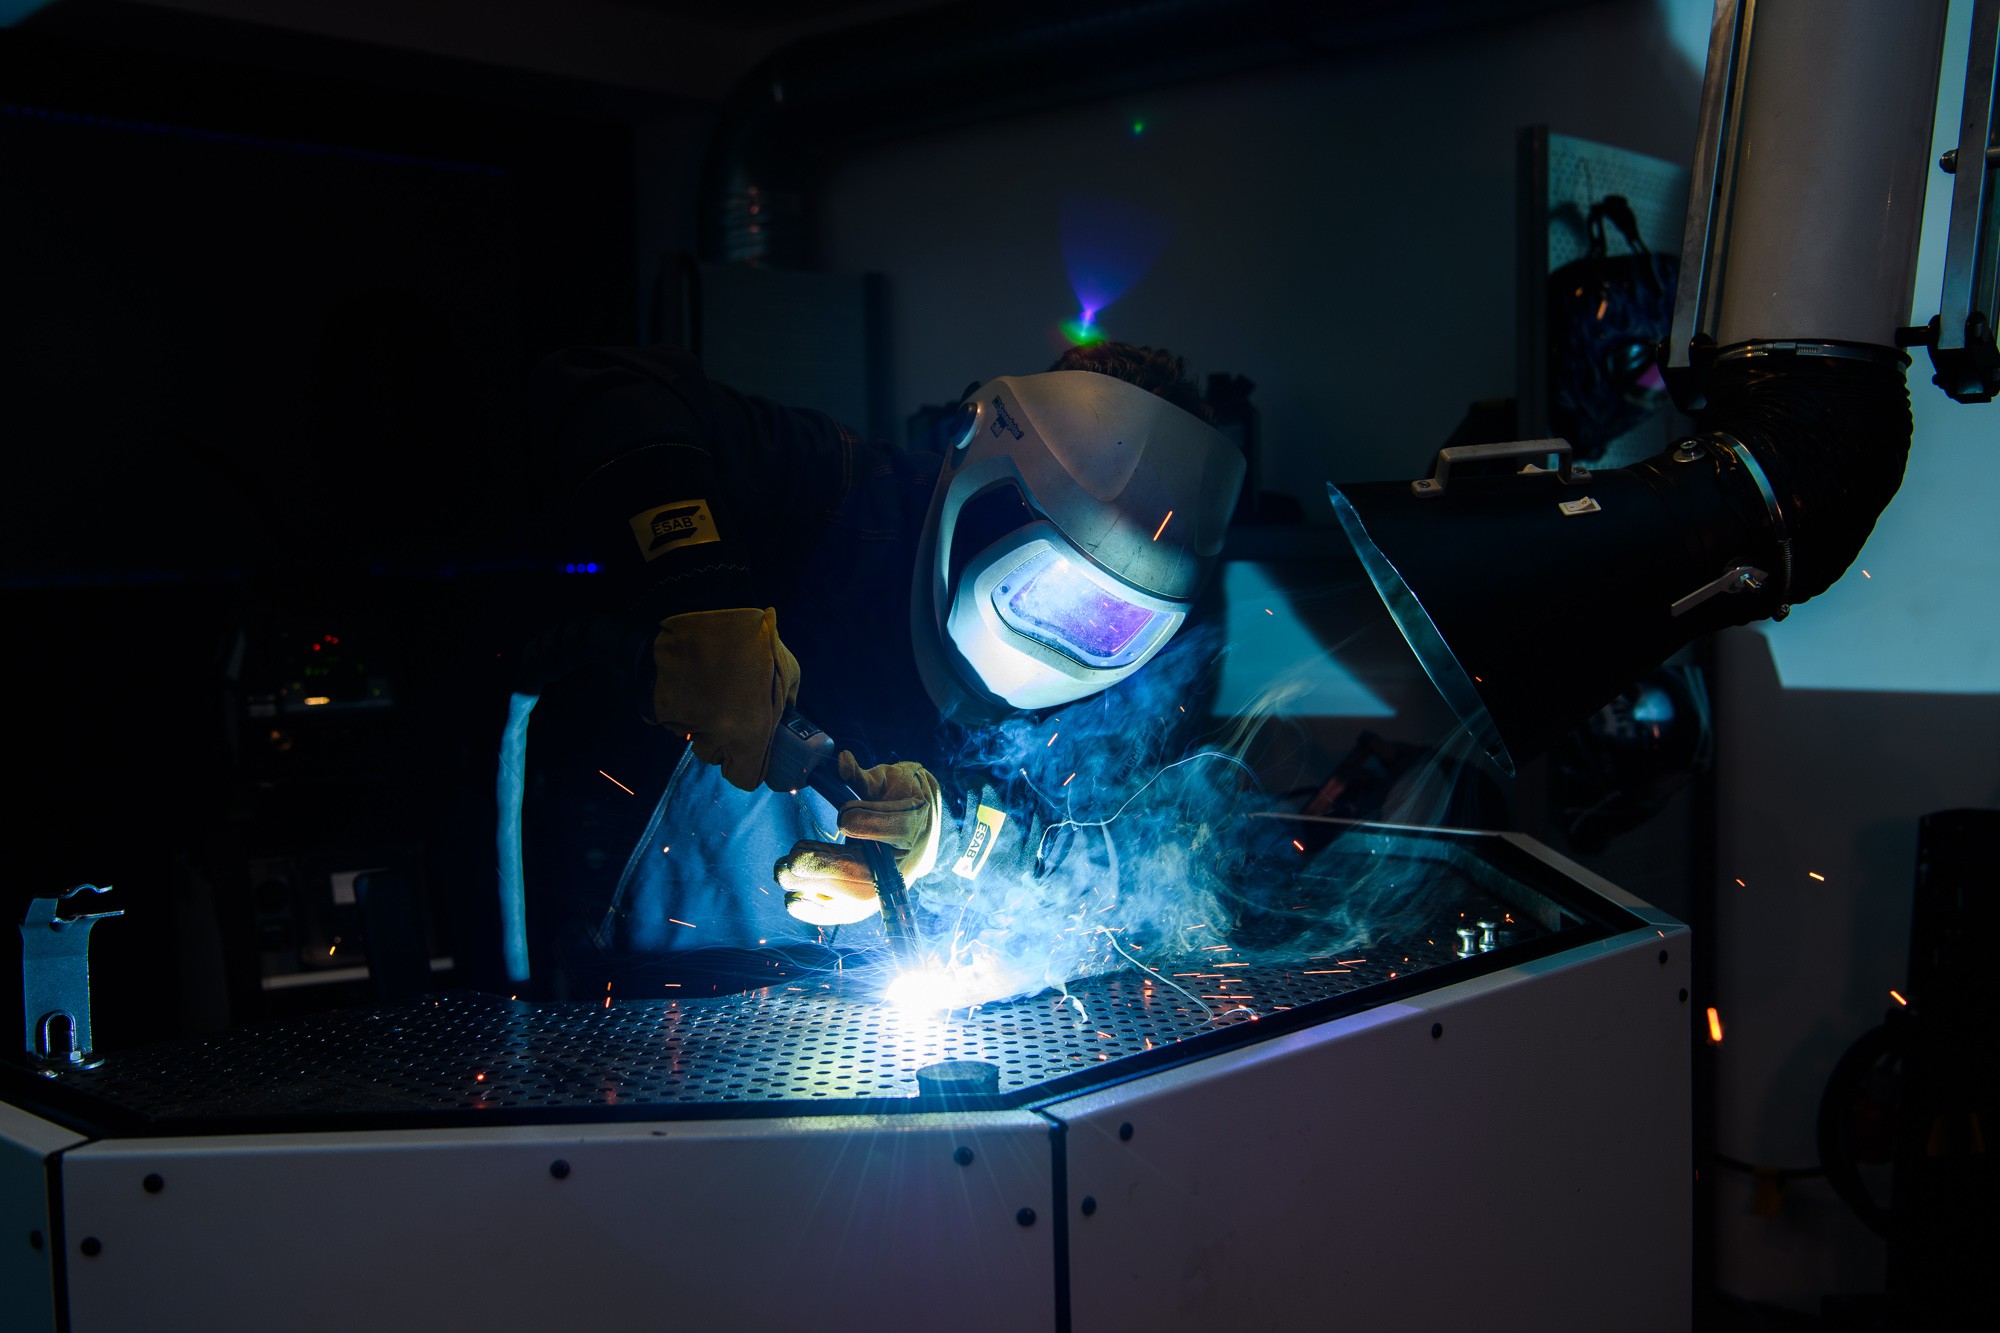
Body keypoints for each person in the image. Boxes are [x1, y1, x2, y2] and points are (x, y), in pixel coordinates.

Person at [527, 340, 1243, 980]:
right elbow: (599, 379)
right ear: (989, 475)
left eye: (1111, 620)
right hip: (632, 995)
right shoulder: (827, 488)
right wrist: (701, 596)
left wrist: (950, 835)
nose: (1069, 629)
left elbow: (1121, 867)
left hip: (829, 1021)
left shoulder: (1136, 686)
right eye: (1050, 586)